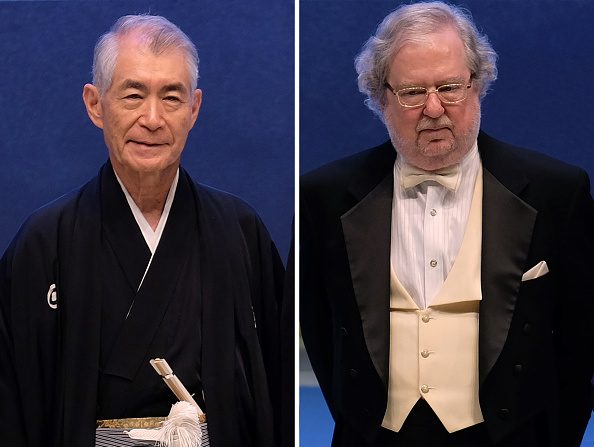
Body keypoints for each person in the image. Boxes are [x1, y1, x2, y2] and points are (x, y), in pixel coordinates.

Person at [300, 2, 594, 446]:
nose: (434, 108)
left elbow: (579, 342)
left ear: (479, 85)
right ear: (381, 98)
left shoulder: (558, 192)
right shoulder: (323, 197)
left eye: (450, 87)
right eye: (413, 92)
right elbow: (320, 331)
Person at [0, 15, 289, 447]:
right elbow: (11, 400)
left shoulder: (238, 231)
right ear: (95, 104)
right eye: (133, 95)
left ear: (194, 109)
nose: (152, 119)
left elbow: (277, 388)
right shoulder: (44, 242)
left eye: (171, 98)